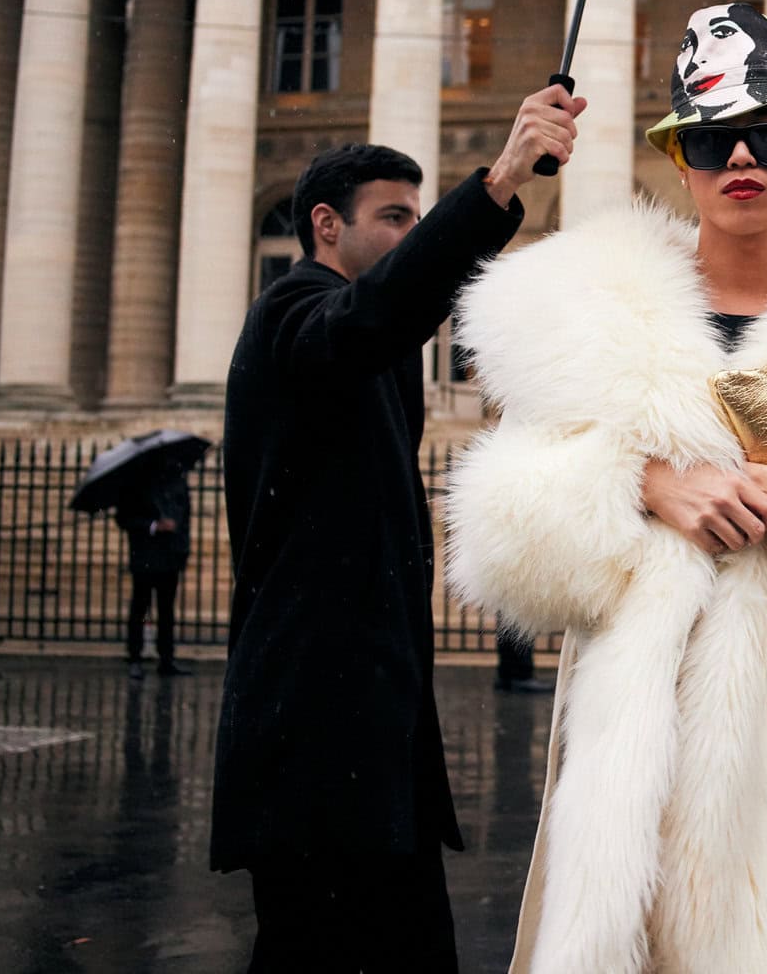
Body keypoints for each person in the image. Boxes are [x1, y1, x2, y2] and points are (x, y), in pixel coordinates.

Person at [441, 5, 767, 974]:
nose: (743, 160)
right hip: (643, 744)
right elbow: (504, 521)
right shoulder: (590, 319)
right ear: (680, 160)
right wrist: (642, 479)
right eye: (714, 139)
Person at [210, 85, 580, 974]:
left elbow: (392, 313)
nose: (412, 231)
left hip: (368, 726)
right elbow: (373, 315)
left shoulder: (365, 347)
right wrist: (495, 185)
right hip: (315, 728)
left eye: (420, 215)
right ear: (327, 226)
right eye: (395, 216)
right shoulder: (294, 316)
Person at [120, 458, 192, 680]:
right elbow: (124, 518)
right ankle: (135, 657)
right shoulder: (136, 483)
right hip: (145, 556)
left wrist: (182, 546)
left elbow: (185, 516)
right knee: (140, 608)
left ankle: (166, 658)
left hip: (169, 556)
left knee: (166, 610)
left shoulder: (177, 482)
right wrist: (153, 526)